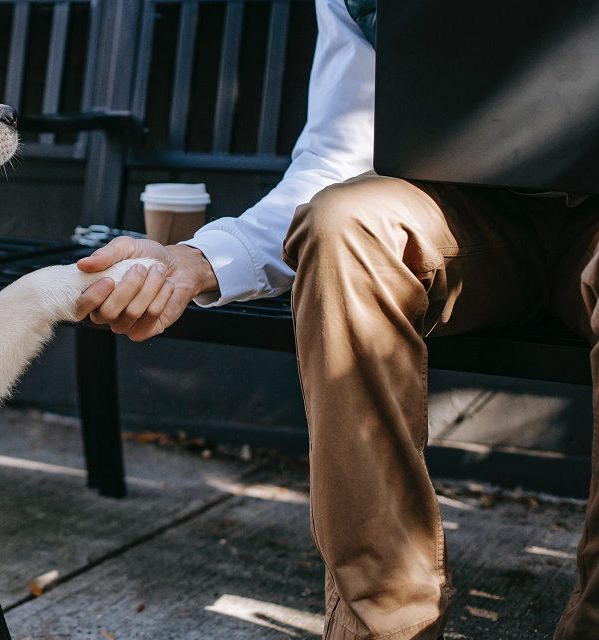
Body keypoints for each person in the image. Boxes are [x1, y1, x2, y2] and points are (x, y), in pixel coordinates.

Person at [75, 0, 599, 638]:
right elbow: (336, 156)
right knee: (343, 224)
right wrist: (196, 261)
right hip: (464, 219)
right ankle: (384, 625)